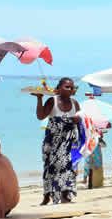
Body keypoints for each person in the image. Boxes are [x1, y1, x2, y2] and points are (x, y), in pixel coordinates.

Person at [34, 77, 82, 205]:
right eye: (67, 87)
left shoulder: (75, 104)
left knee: (67, 167)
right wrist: (39, 99)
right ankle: (47, 195)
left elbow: (80, 121)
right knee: (50, 168)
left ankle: (65, 195)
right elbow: (40, 116)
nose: (70, 89)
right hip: (51, 142)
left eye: (72, 87)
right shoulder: (52, 101)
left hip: (67, 143)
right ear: (59, 88)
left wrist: (77, 121)